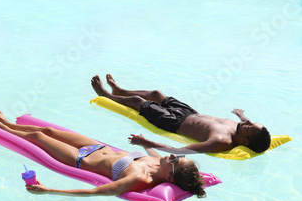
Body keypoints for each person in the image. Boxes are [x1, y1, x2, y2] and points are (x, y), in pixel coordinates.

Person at [0, 110, 206, 198]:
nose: (171, 156)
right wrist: (143, 142)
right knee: (49, 130)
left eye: (175, 160)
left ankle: (4, 128)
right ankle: (8, 123)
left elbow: (97, 192)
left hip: (81, 159)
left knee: (40, 138)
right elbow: (152, 152)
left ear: (169, 177)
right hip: (97, 147)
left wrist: (50, 190)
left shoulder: (140, 179)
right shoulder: (159, 163)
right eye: (176, 155)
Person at [91, 75, 271, 155]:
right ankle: (119, 90)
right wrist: (240, 114)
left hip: (173, 122)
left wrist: (147, 143)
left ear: (245, 142)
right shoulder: (242, 127)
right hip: (189, 112)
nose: (247, 123)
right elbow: (247, 122)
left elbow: (179, 151)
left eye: (249, 127)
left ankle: (106, 95)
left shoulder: (221, 142)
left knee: (138, 101)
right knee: (155, 93)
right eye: (250, 123)